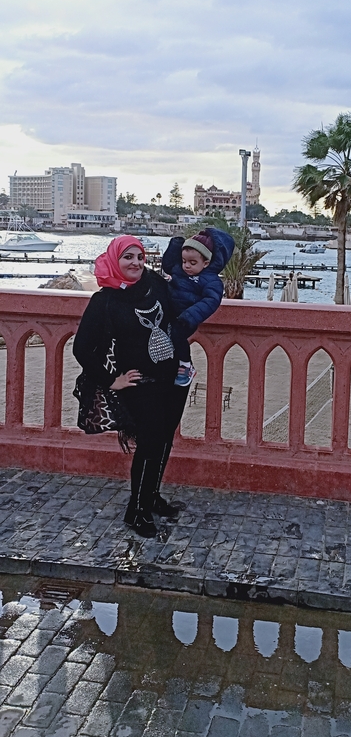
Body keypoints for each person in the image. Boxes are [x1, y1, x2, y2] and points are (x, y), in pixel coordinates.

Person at [73, 236, 188, 539]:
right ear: (114, 260)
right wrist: (113, 381)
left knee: (164, 441)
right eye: (128, 257)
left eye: (140, 256)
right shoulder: (105, 300)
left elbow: (179, 312)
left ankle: (151, 497)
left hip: (172, 380)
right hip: (139, 386)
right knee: (149, 444)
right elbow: (82, 349)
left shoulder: (157, 285)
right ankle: (136, 510)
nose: (136, 262)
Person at [162, 227, 235, 386]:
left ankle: (186, 365)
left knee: (177, 335)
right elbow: (167, 265)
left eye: (193, 263)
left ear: (206, 263)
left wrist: (190, 316)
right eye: (184, 261)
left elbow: (211, 301)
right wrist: (176, 245)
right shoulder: (180, 271)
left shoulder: (211, 280)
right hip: (171, 311)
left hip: (187, 318)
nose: (187, 266)